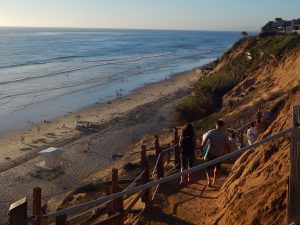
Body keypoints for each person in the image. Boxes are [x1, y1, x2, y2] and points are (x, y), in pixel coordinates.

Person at [202, 120, 230, 187]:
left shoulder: (211, 132)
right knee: (217, 167)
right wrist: (228, 153)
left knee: (207, 168)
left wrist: (203, 149)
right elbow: (228, 145)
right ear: (222, 126)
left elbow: (203, 143)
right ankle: (214, 180)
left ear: (216, 125)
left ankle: (209, 181)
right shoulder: (225, 135)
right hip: (219, 154)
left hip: (210, 152)